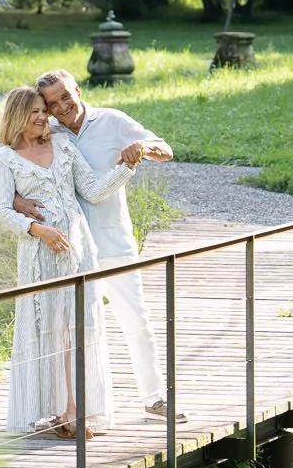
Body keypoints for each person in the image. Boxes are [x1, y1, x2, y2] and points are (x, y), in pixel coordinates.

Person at [14, 69, 187, 423]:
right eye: (53, 103)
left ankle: (155, 398)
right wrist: (16, 201)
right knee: (73, 331)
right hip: (69, 250)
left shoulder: (112, 121)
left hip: (113, 240)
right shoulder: (51, 134)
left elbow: (166, 150)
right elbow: (16, 160)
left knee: (135, 319)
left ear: (77, 90)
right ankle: (71, 410)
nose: (63, 106)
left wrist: (142, 148)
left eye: (66, 96)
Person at [0, 85, 135, 439]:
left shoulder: (64, 146)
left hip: (78, 250)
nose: (42, 117)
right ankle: (54, 411)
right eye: (34, 112)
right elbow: (4, 211)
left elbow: (93, 190)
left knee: (79, 327)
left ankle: (75, 410)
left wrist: (126, 166)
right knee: (49, 329)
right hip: (40, 257)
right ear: (16, 117)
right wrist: (39, 230)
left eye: (44, 110)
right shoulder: (5, 158)